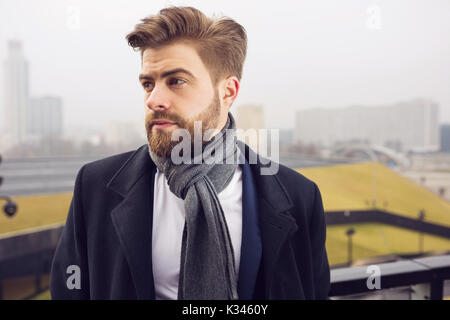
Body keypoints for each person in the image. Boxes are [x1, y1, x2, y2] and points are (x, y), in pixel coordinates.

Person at [50, 6, 330, 300]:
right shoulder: (94, 187)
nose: (154, 99)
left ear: (228, 92)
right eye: (148, 84)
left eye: (176, 81)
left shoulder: (300, 197)